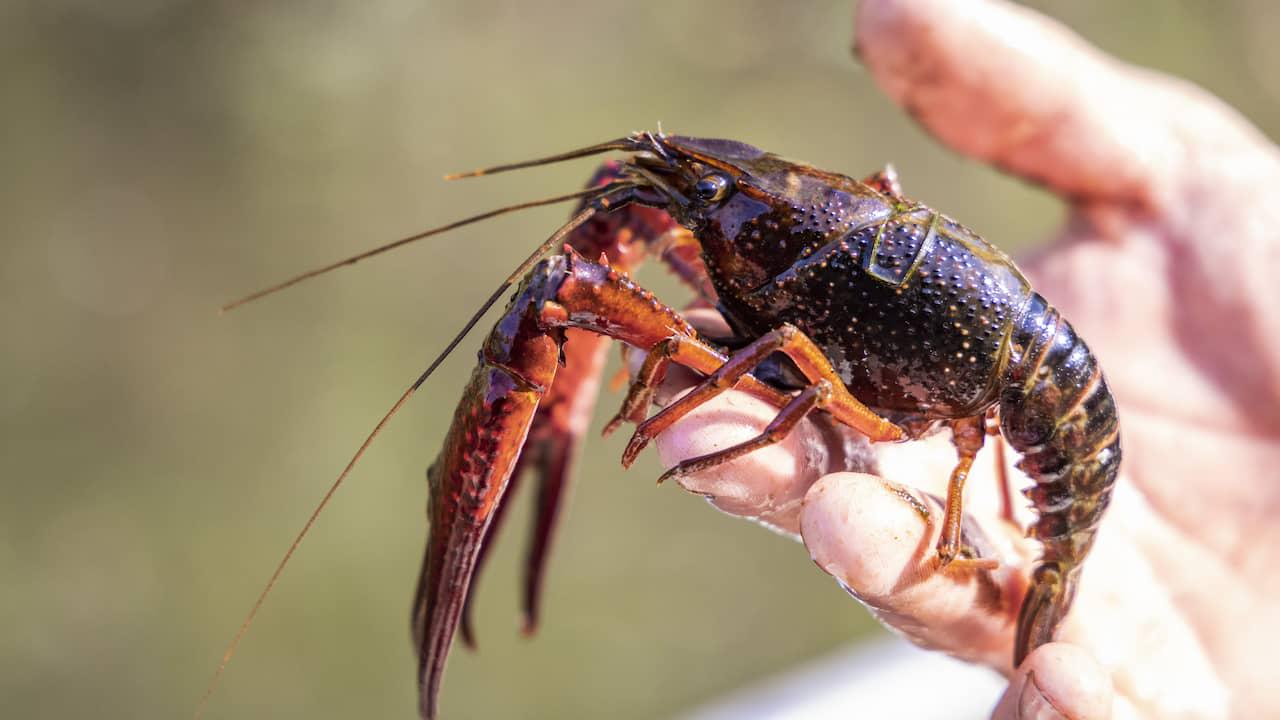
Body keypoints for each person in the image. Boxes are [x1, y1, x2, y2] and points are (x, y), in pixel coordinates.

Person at [647, 1, 1280, 718]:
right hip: (1021, 386)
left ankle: (1052, 568)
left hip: (1061, 430)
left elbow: (802, 353)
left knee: (791, 359)